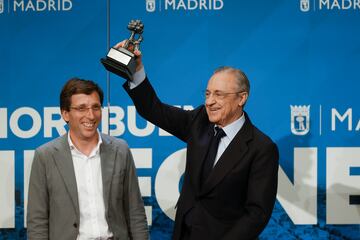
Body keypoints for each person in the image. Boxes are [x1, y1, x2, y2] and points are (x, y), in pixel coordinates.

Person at [116, 41, 279, 240]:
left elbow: (257, 214)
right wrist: (137, 69)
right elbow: (153, 109)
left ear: (241, 98)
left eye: (218, 95)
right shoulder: (199, 121)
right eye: (208, 94)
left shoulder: (261, 148)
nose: (209, 102)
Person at [27, 78, 149, 240]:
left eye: (96, 107)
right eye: (81, 108)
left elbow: (135, 212)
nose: (90, 115)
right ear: (65, 114)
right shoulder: (45, 156)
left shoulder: (120, 149)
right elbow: (37, 221)